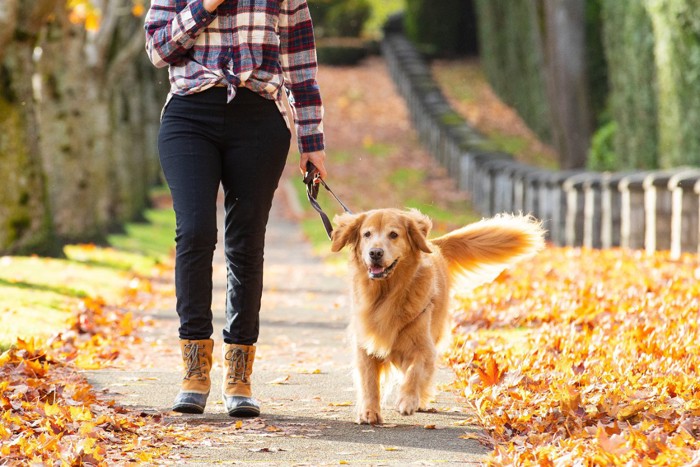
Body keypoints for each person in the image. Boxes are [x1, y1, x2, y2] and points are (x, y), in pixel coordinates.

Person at [144, 0, 327, 417]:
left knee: (245, 243)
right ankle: (194, 371)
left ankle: (239, 376)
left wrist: (312, 143)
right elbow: (158, 51)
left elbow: (301, 67)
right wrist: (206, 5)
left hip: (260, 118)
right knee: (194, 232)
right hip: (190, 114)